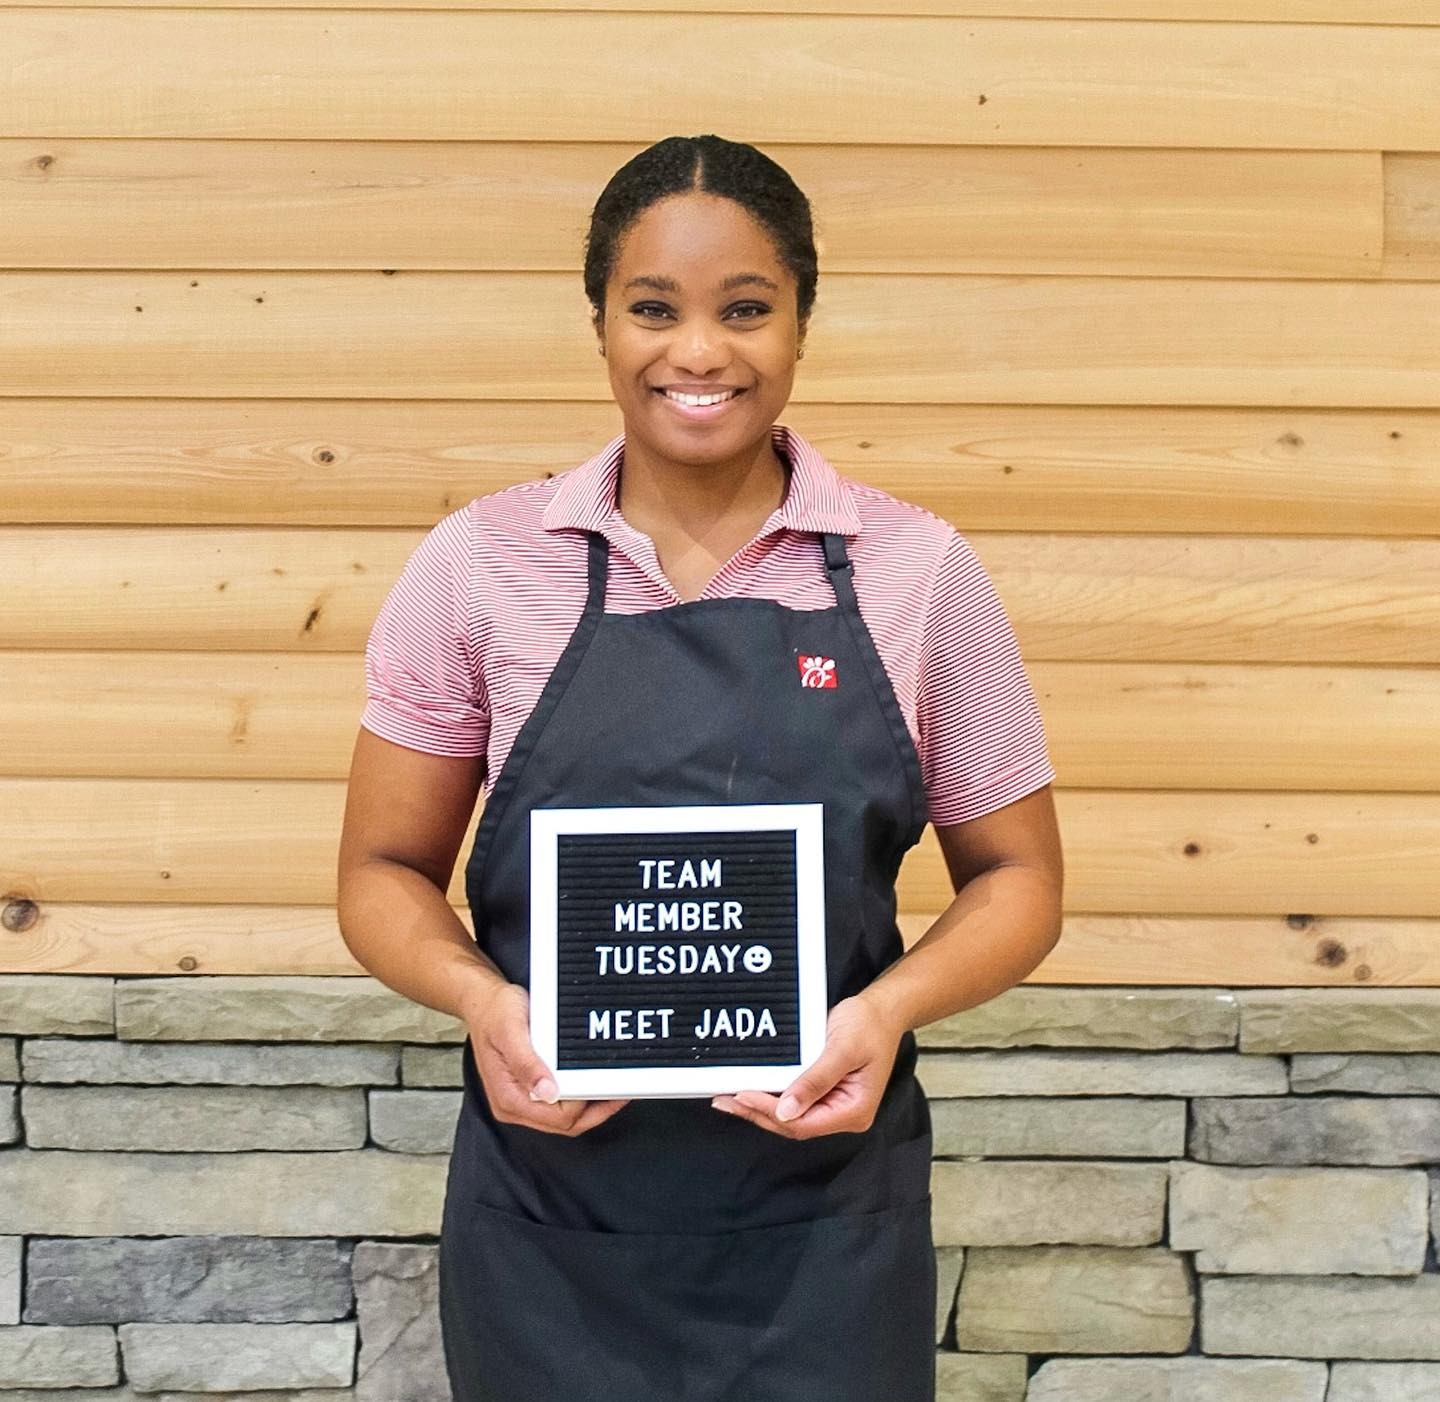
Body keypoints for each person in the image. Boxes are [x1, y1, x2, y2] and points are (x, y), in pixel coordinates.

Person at [337, 133, 1064, 1402]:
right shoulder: (480, 564)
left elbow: (1022, 882)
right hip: (549, 1227)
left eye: (745, 309)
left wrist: (885, 1011)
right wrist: (483, 1004)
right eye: (653, 308)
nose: (699, 352)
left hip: (825, 1233)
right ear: (600, 325)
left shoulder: (918, 572)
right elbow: (381, 870)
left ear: (801, 325)